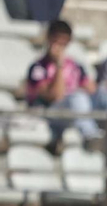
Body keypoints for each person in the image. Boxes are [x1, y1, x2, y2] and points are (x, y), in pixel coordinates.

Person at [25, 19, 100, 148]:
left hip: (73, 112)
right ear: (49, 39)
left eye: (63, 43)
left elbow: (93, 90)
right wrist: (59, 65)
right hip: (50, 113)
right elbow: (56, 96)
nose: (59, 47)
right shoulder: (38, 67)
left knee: (102, 96)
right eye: (56, 42)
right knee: (78, 97)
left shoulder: (75, 65)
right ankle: (90, 135)